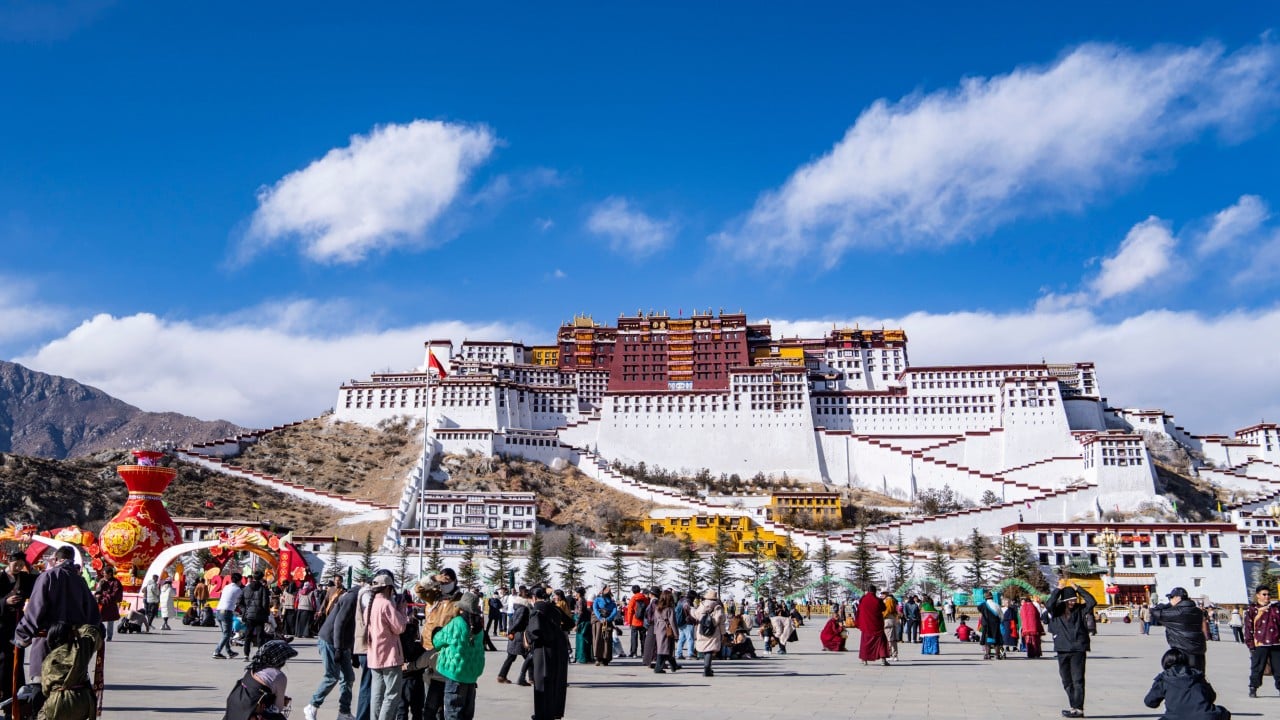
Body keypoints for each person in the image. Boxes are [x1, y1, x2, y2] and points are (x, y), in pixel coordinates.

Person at [13, 546, 100, 684]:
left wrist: (23, 635)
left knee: (42, 687)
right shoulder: (80, 581)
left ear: (57, 559)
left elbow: (35, 609)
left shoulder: (47, 576)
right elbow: (93, 614)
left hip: (47, 641)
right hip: (72, 646)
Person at [304, 575, 360, 720]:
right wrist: (338, 649)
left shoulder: (361, 601)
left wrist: (353, 652)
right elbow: (339, 624)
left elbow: (352, 628)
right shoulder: (351, 599)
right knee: (332, 676)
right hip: (330, 641)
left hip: (343, 644)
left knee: (348, 677)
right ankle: (312, 705)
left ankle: (344, 712)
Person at [414, 567, 462, 719]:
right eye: (443, 579)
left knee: (442, 689)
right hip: (428, 645)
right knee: (429, 686)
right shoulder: (434, 596)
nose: (445, 582)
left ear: (455, 581)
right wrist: (433, 578)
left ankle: (441, 714)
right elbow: (418, 589)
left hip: (447, 649)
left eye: (448, 580)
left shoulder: (459, 600)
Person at [427, 592, 485, 720]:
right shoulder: (479, 628)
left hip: (455, 676)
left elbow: (437, 641)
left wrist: (437, 631)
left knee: (453, 713)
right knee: (466, 714)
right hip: (471, 677)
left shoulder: (457, 622)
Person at [1046, 581, 1097, 719]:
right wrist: (1057, 589)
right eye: (1070, 600)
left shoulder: (1080, 609)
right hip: (1062, 649)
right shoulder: (1057, 611)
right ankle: (1074, 706)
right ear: (1064, 601)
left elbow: (1092, 601)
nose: (1072, 602)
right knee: (1066, 680)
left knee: (1078, 680)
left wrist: (1078, 589)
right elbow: (1049, 604)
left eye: (1074, 599)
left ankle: (1079, 709)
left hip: (1078, 649)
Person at [38, 621, 103, 720]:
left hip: (57, 702)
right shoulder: (81, 648)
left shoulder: (49, 659)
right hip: (82, 701)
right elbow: (92, 631)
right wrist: (76, 631)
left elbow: (46, 690)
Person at [1143, 648, 1231, 720]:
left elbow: (1150, 702)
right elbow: (1211, 697)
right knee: (1224, 713)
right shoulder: (1197, 675)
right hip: (1205, 716)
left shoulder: (1164, 678)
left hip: (1175, 717)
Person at [366, 574, 409, 720]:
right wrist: (402, 610)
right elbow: (400, 628)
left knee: (377, 695)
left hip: (374, 656)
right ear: (388, 588)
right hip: (389, 655)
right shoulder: (386, 604)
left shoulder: (370, 605)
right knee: (392, 694)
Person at [223, 639, 298, 720]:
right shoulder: (279, 676)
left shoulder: (253, 667)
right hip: (251, 713)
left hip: (235, 705)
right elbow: (278, 708)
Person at [527, 587, 572, 720]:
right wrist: (556, 628)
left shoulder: (537, 608)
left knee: (541, 680)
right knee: (555, 680)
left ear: (534, 597)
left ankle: (542, 714)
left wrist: (528, 639)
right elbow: (570, 622)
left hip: (543, 647)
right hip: (558, 647)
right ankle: (554, 711)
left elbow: (535, 631)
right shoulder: (554, 607)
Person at [1151, 587, 1209, 673]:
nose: (1170, 600)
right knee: (1198, 676)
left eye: (1171, 597)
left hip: (1182, 650)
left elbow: (1154, 611)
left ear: (1178, 598)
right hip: (1198, 649)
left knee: (1183, 677)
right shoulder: (1197, 611)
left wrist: (1169, 604)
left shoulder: (1176, 612)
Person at [1243, 583, 1280, 698]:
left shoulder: (1276, 609)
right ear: (1258, 595)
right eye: (1264, 594)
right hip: (1260, 643)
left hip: (1276, 642)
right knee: (1258, 668)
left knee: (1279, 669)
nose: (1267, 597)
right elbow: (1248, 628)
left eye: (1268, 594)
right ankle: (1253, 687)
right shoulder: (1252, 610)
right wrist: (1250, 644)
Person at [496, 586, 531, 684]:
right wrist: (512, 630)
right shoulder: (524, 608)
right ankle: (532, 678)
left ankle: (502, 676)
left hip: (515, 636)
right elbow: (518, 622)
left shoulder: (517, 607)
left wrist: (510, 631)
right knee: (529, 656)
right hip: (519, 636)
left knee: (511, 657)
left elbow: (512, 620)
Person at [691, 589, 725, 677]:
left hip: (702, 629)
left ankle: (707, 668)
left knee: (706, 649)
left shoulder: (702, 605)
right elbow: (721, 620)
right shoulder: (718, 606)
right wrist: (723, 633)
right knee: (710, 649)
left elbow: (696, 615)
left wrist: (692, 611)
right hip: (713, 630)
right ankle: (707, 668)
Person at [240, 572, 273, 661]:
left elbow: (240, 602)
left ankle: (246, 655)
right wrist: (266, 614)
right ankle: (259, 655)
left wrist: (244, 611)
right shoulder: (263, 589)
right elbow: (265, 603)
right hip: (260, 615)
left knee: (248, 635)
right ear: (262, 578)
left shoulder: (246, 588)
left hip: (249, 615)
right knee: (260, 636)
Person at [857, 585, 891, 666]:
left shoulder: (863, 600)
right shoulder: (878, 600)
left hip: (866, 625)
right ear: (875, 591)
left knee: (865, 642)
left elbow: (858, 611)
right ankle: (883, 660)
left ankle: (864, 660)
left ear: (868, 591)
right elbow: (883, 608)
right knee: (882, 642)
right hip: (877, 625)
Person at [213, 573, 243, 659]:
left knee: (225, 634)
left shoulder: (226, 587)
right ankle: (216, 652)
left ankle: (229, 652)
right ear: (239, 581)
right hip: (226, 612)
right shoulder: (238, 589)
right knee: (227, 634)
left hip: (218, 611)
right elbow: (240, 601)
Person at [651, 589, 679, 673]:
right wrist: (676, 634)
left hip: (659, 628)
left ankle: (674, 665)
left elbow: (655, 620)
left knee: (664, 647)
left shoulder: (657, 608)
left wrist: (655, 630)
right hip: (667, 629)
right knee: (665, 648)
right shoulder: (669, 609)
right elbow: (673, 622)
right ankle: (658, 667)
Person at [590, 585, 619, 667]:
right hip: (602, 622)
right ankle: (602, 659)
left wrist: (604, 618)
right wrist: (604, 618)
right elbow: (595, 609)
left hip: (602, 622)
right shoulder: (601, 600)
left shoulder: (606, 601)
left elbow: (614, 611)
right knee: (602, 639)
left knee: (602, 639)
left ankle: (602, 658)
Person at [93, 574, 122, 643]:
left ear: (110, 574)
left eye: (105, 574)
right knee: (98, 619)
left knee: (110, 620)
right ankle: (99, 634)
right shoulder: (102, 581)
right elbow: (98, 591)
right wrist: (98, 596)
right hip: (101, 604)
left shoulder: (116, 582)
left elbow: (115, 594)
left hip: (111, 604)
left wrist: (106, 598)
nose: (104, 575)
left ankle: (109, 636)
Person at [623, 585, 648, 659]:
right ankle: (644, 652)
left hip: (635, 621)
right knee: (643, 637)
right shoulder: (645, 598)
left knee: (634, 637)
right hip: (643, 621)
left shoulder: (633, 599)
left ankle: (634, 653)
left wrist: (629, 622)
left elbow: (630, 611)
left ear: (633, 591)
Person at [978, 594, 1004, 660]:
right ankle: (997, 655)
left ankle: (987, 654)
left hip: (986, 626)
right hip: (995, 625)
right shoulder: (997, 605)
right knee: (996, 641)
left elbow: (979, 609)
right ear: (992, 598)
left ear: (985, 598)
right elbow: (1002, 616)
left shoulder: (983, 605)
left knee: (987, 641)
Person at [572, 587, 593, 665]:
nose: (574, 595)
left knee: (581, 641)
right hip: (586, 622)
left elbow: (580, 613)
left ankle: (581, 658)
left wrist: (576, 624)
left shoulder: (580, 601)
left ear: (578, 594)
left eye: (575, 593)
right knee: (585, 641)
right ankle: (586, 657)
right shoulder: (584, 600)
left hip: (582, 623)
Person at [675, 590, 697, 660]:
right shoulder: (687, 602)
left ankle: (678, 654)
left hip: (680, 622)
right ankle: (690, 654)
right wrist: (694, 620)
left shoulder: (681, 600)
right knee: (690, 638)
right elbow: (689, 613)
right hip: (687, 623)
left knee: (681, 639)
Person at [882, 590, 900, 660]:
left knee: (889, 639)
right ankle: (894, 655)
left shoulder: (889, 600)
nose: (882, 595)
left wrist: (882, 615)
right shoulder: (890, 600)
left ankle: (891, 654)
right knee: (892, 639)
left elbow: (888, 610)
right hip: (891, 620)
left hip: (888, 620)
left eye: (883, 593)